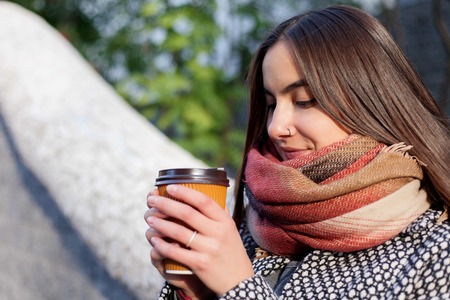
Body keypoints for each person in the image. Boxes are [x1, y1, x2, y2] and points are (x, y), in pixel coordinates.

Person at [144, 5, 450, 299]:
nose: (277, 127)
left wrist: (240, 288)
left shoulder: (434, 254)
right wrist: (197, 291)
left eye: (303, 100)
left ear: (370, 101)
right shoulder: (251, 229)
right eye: (271, 105)